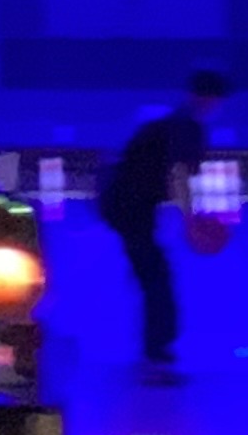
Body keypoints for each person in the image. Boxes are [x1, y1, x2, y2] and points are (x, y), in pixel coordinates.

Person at [96, 70, 228, 378]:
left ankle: (157, 347)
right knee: (156, 277)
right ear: (210, 98)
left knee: (154, 273)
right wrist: (190, 219)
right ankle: (157, 351)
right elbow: (178, 174)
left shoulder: (173, 123)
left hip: (123, 203)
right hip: (128, 204)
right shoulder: (187, 127)